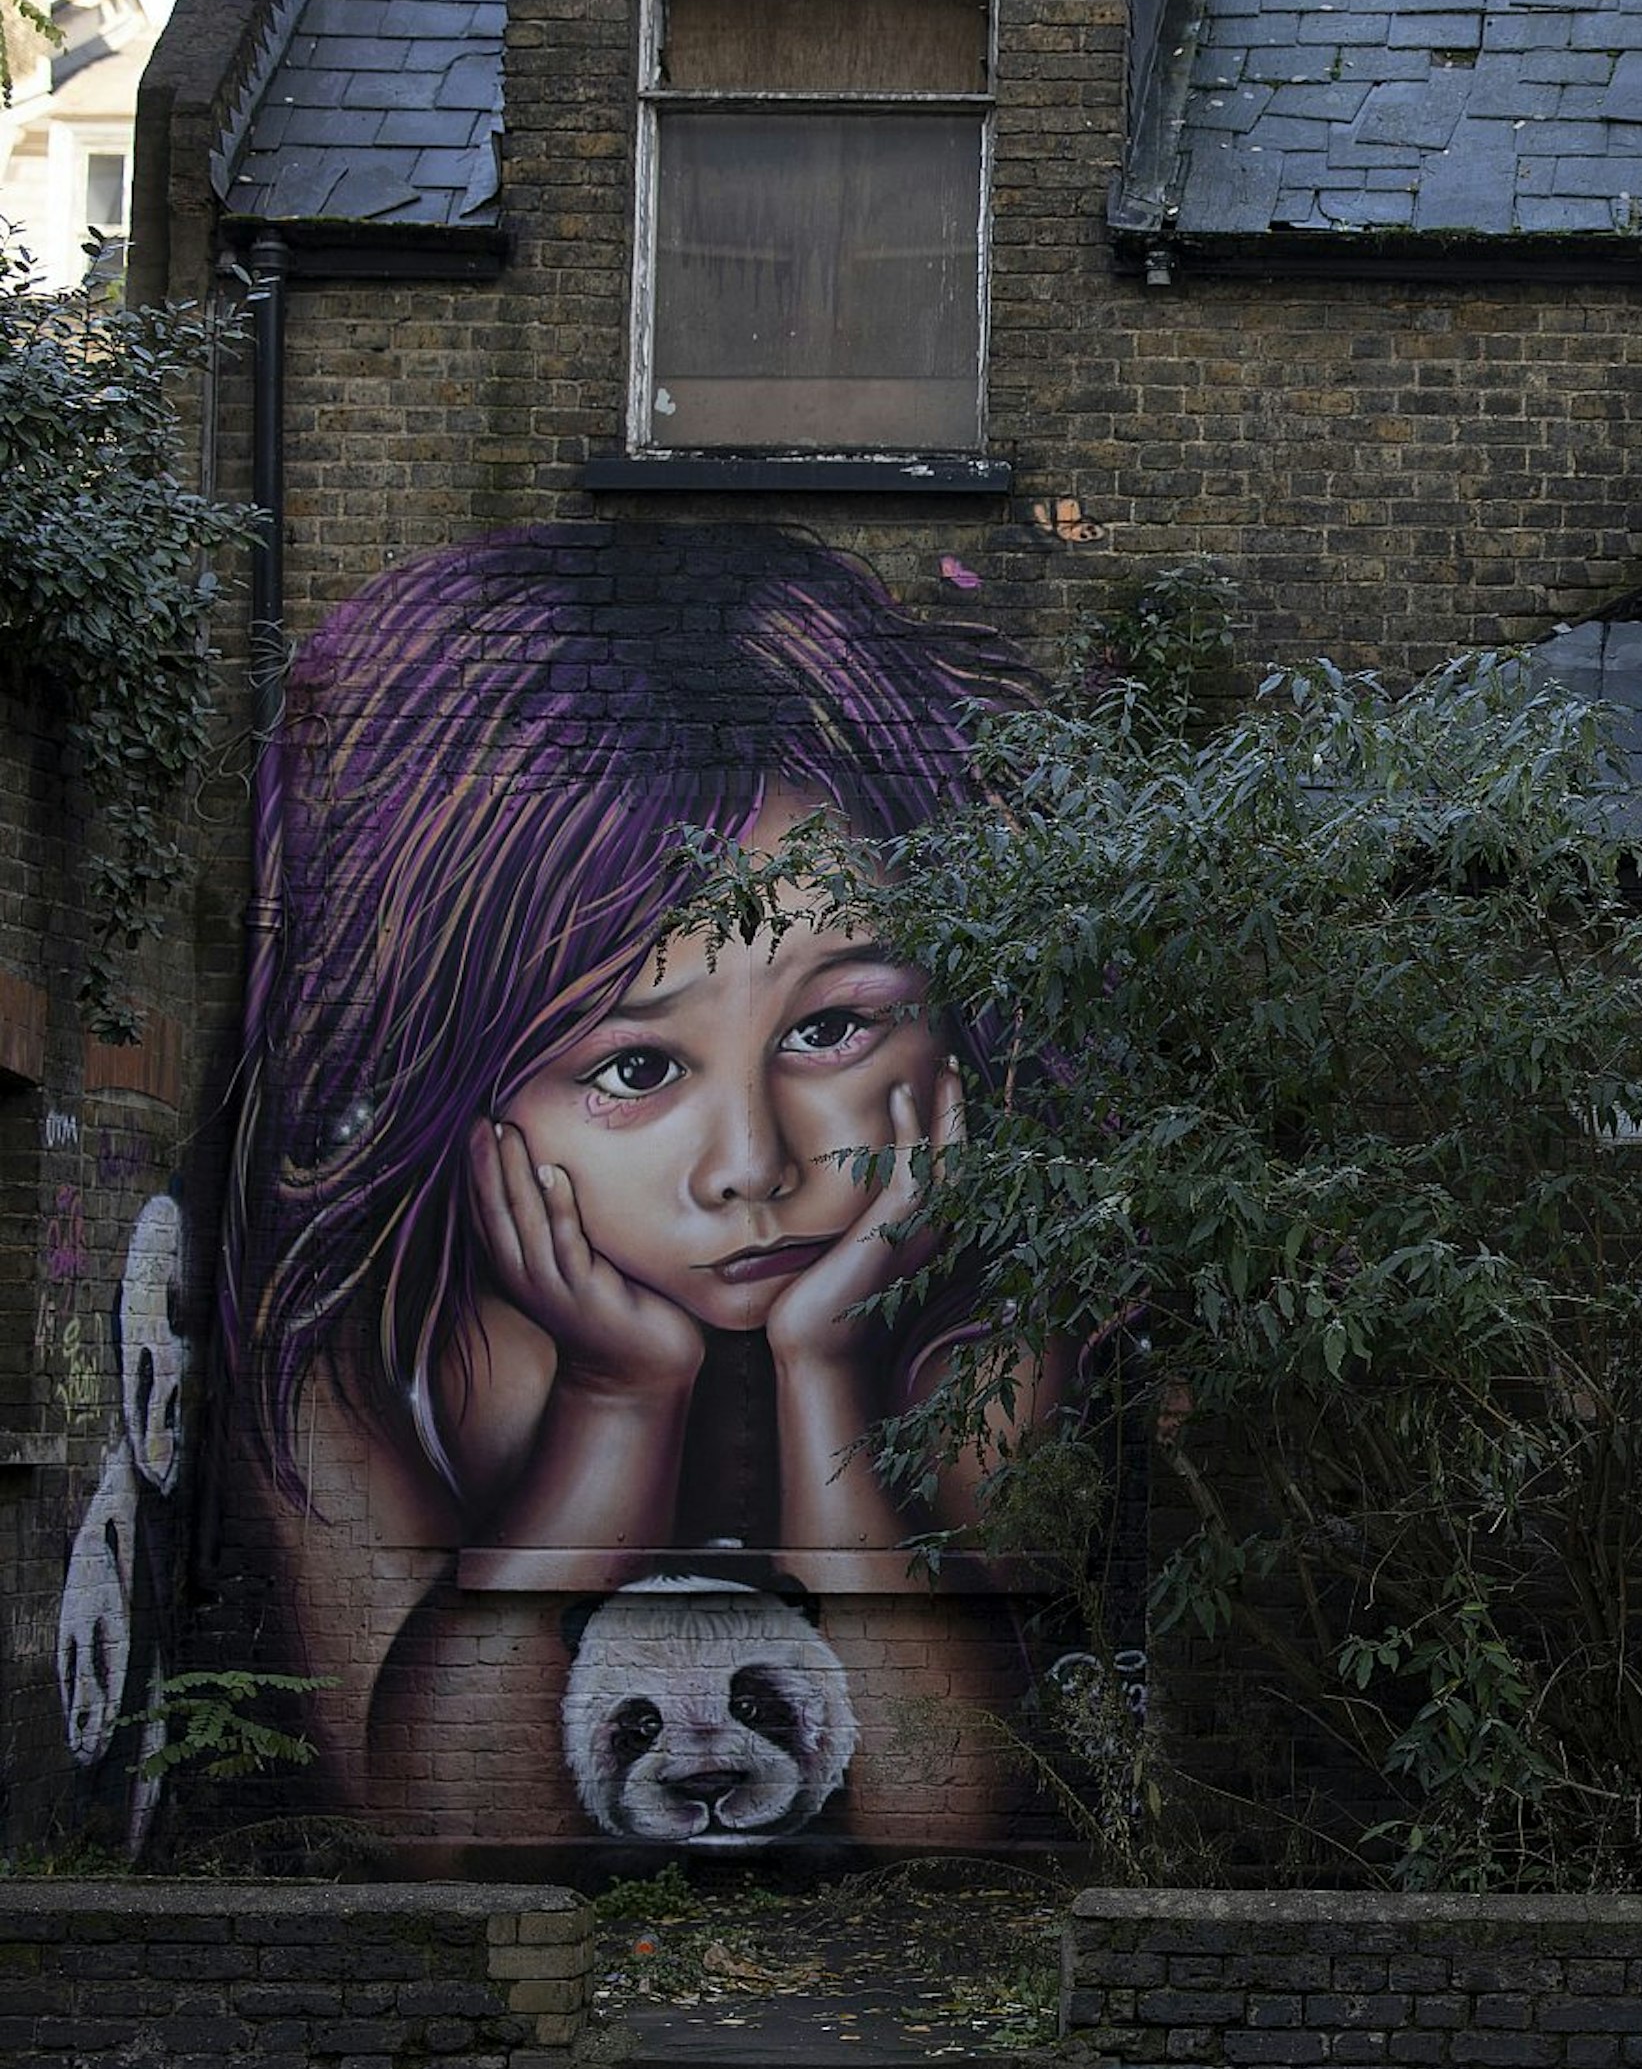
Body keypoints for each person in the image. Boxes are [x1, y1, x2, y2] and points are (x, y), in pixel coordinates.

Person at [227, 522, 1052, 1836]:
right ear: (463, 1096)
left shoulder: (985, 1340)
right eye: (633, 1068)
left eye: (832, 1026)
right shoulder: (371, 1360)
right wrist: (618, 1402)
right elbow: (448, 1829)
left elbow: (945, 1812)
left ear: (948, 1029)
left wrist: (821, 1368)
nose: (749, 1168)